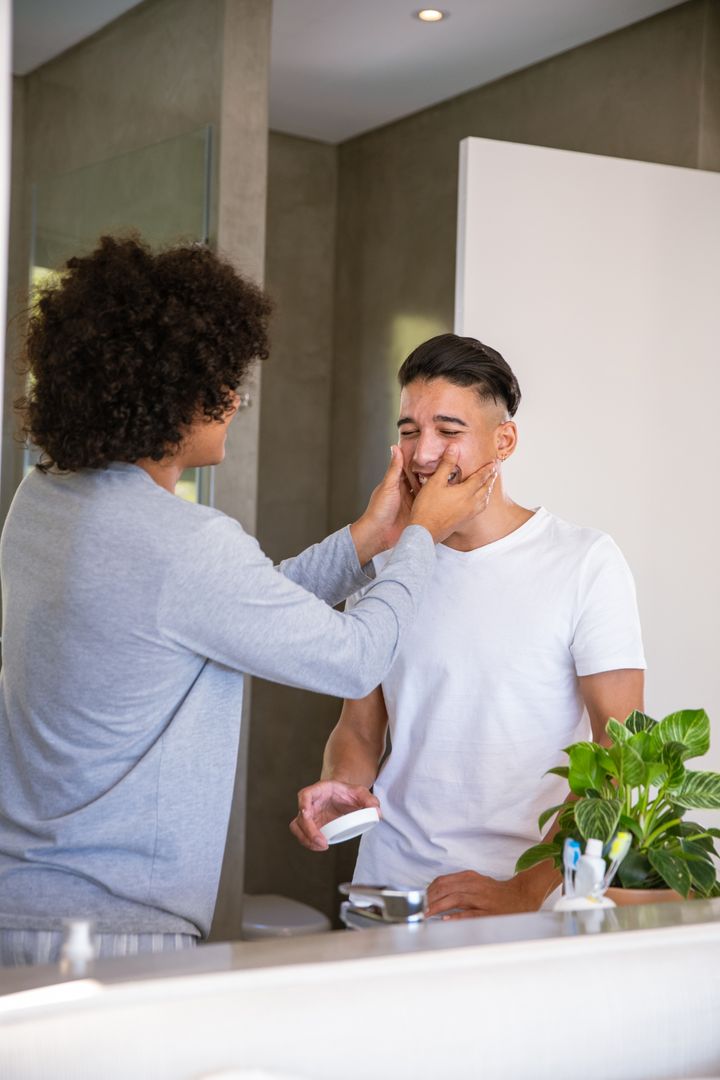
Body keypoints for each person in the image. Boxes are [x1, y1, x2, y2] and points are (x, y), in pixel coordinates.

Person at [0, 241, 497, 965]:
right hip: (111, 932)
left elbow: (231, 615)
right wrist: (420, 534)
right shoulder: (186, 544)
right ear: (170, 396)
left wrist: (370, 537)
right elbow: (354, 659)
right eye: (223, 384)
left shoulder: (39, 503)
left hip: (19, 907)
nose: (235, 400)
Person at [292, 333, 646, 918]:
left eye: (449, 432)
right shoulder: (387, 565)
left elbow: (622, 754)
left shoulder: (584, 561)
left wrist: (524, 892)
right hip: (392, 892)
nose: (424, 454)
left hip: (523, 899)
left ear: (503, 440)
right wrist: (342, 785)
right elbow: (359, 727)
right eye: (409, 431)